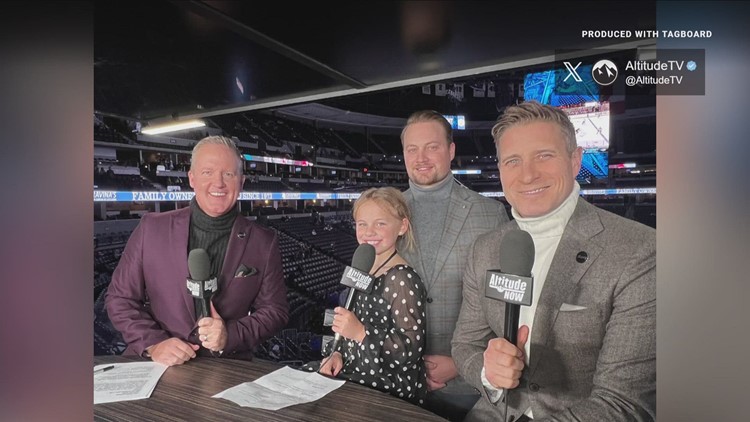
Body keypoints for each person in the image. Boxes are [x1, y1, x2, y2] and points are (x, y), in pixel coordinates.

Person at [452, 101, 656, 421]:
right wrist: (488, 373)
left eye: (544, 155)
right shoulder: (485, 248)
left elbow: (623, 403)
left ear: (575, 161)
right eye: (513, 161)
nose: (528, 174)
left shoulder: (640, 250)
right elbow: (465, 344)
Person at [105, 136, 289, 366]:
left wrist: (230, 335)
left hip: (226, 369)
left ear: (241, 181)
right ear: (192, 179)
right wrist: (154, 344)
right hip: (157, 366)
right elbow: (120, 299)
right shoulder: (151, 228)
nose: (219, 183)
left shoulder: (264, 241)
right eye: (207, 172)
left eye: (228, 174)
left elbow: (275, 311)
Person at [399, 110, 509, 420]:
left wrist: (460, 363)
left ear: (451, 151)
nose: (421, 157)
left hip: (466, 386)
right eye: (412, 149)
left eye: (432, 146)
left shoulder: (490, 214)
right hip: (397, 377)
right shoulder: (385, 211)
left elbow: (502, 308)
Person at [306, 187, 428, 405]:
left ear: (402, 226)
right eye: (362, 224)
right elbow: (346, 329)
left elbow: (410, 350)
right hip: (355, 366)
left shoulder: (402, 279)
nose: (369, 231)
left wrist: (362, 333)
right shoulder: (363, 268)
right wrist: (337, 354)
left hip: (388, 381)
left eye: (380, 223)